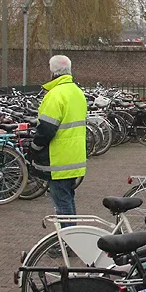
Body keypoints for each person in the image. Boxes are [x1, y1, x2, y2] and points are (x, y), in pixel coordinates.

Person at [30, 55, 88, 216]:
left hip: (58, 159)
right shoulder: (77, 92)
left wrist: (34, 147)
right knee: (68, 199)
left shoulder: (55, 95)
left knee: (62, 205)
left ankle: (69, 239)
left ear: (52, 71)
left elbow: (46, 129)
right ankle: (72, 236)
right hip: (75, 157)